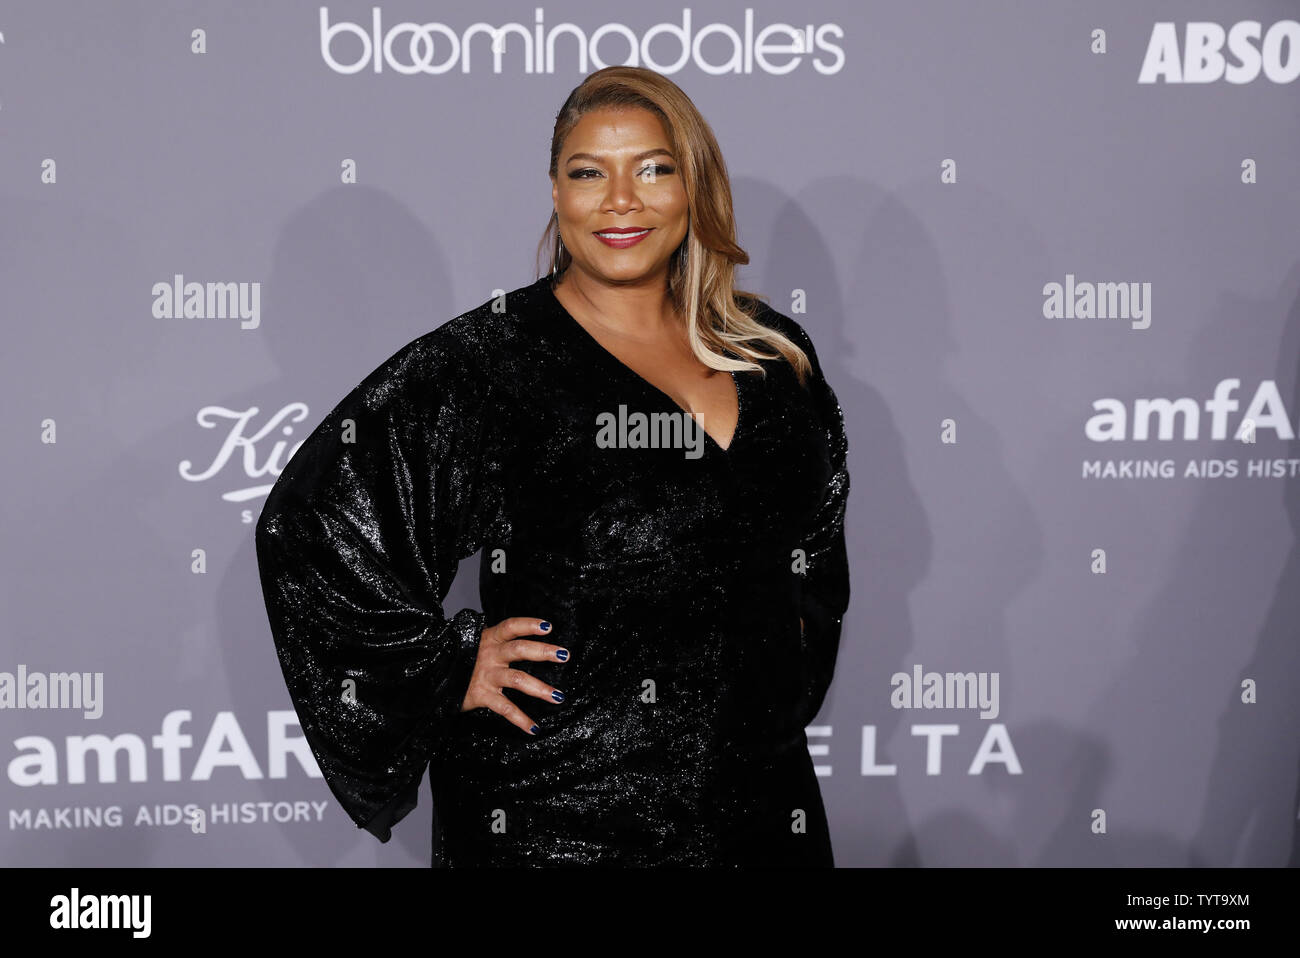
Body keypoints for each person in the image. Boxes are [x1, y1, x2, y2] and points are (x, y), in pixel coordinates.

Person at [254, 65, 850, 866]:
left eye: (652, 167)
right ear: (556, 191)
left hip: (756, 805)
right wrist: (445, 667)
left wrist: (772, 674)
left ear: (694, 182)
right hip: (554, 815)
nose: (620, 200)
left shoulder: (770, 353)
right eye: (587, 173)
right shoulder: (491, 362)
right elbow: (313, 526)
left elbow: (814, 539)